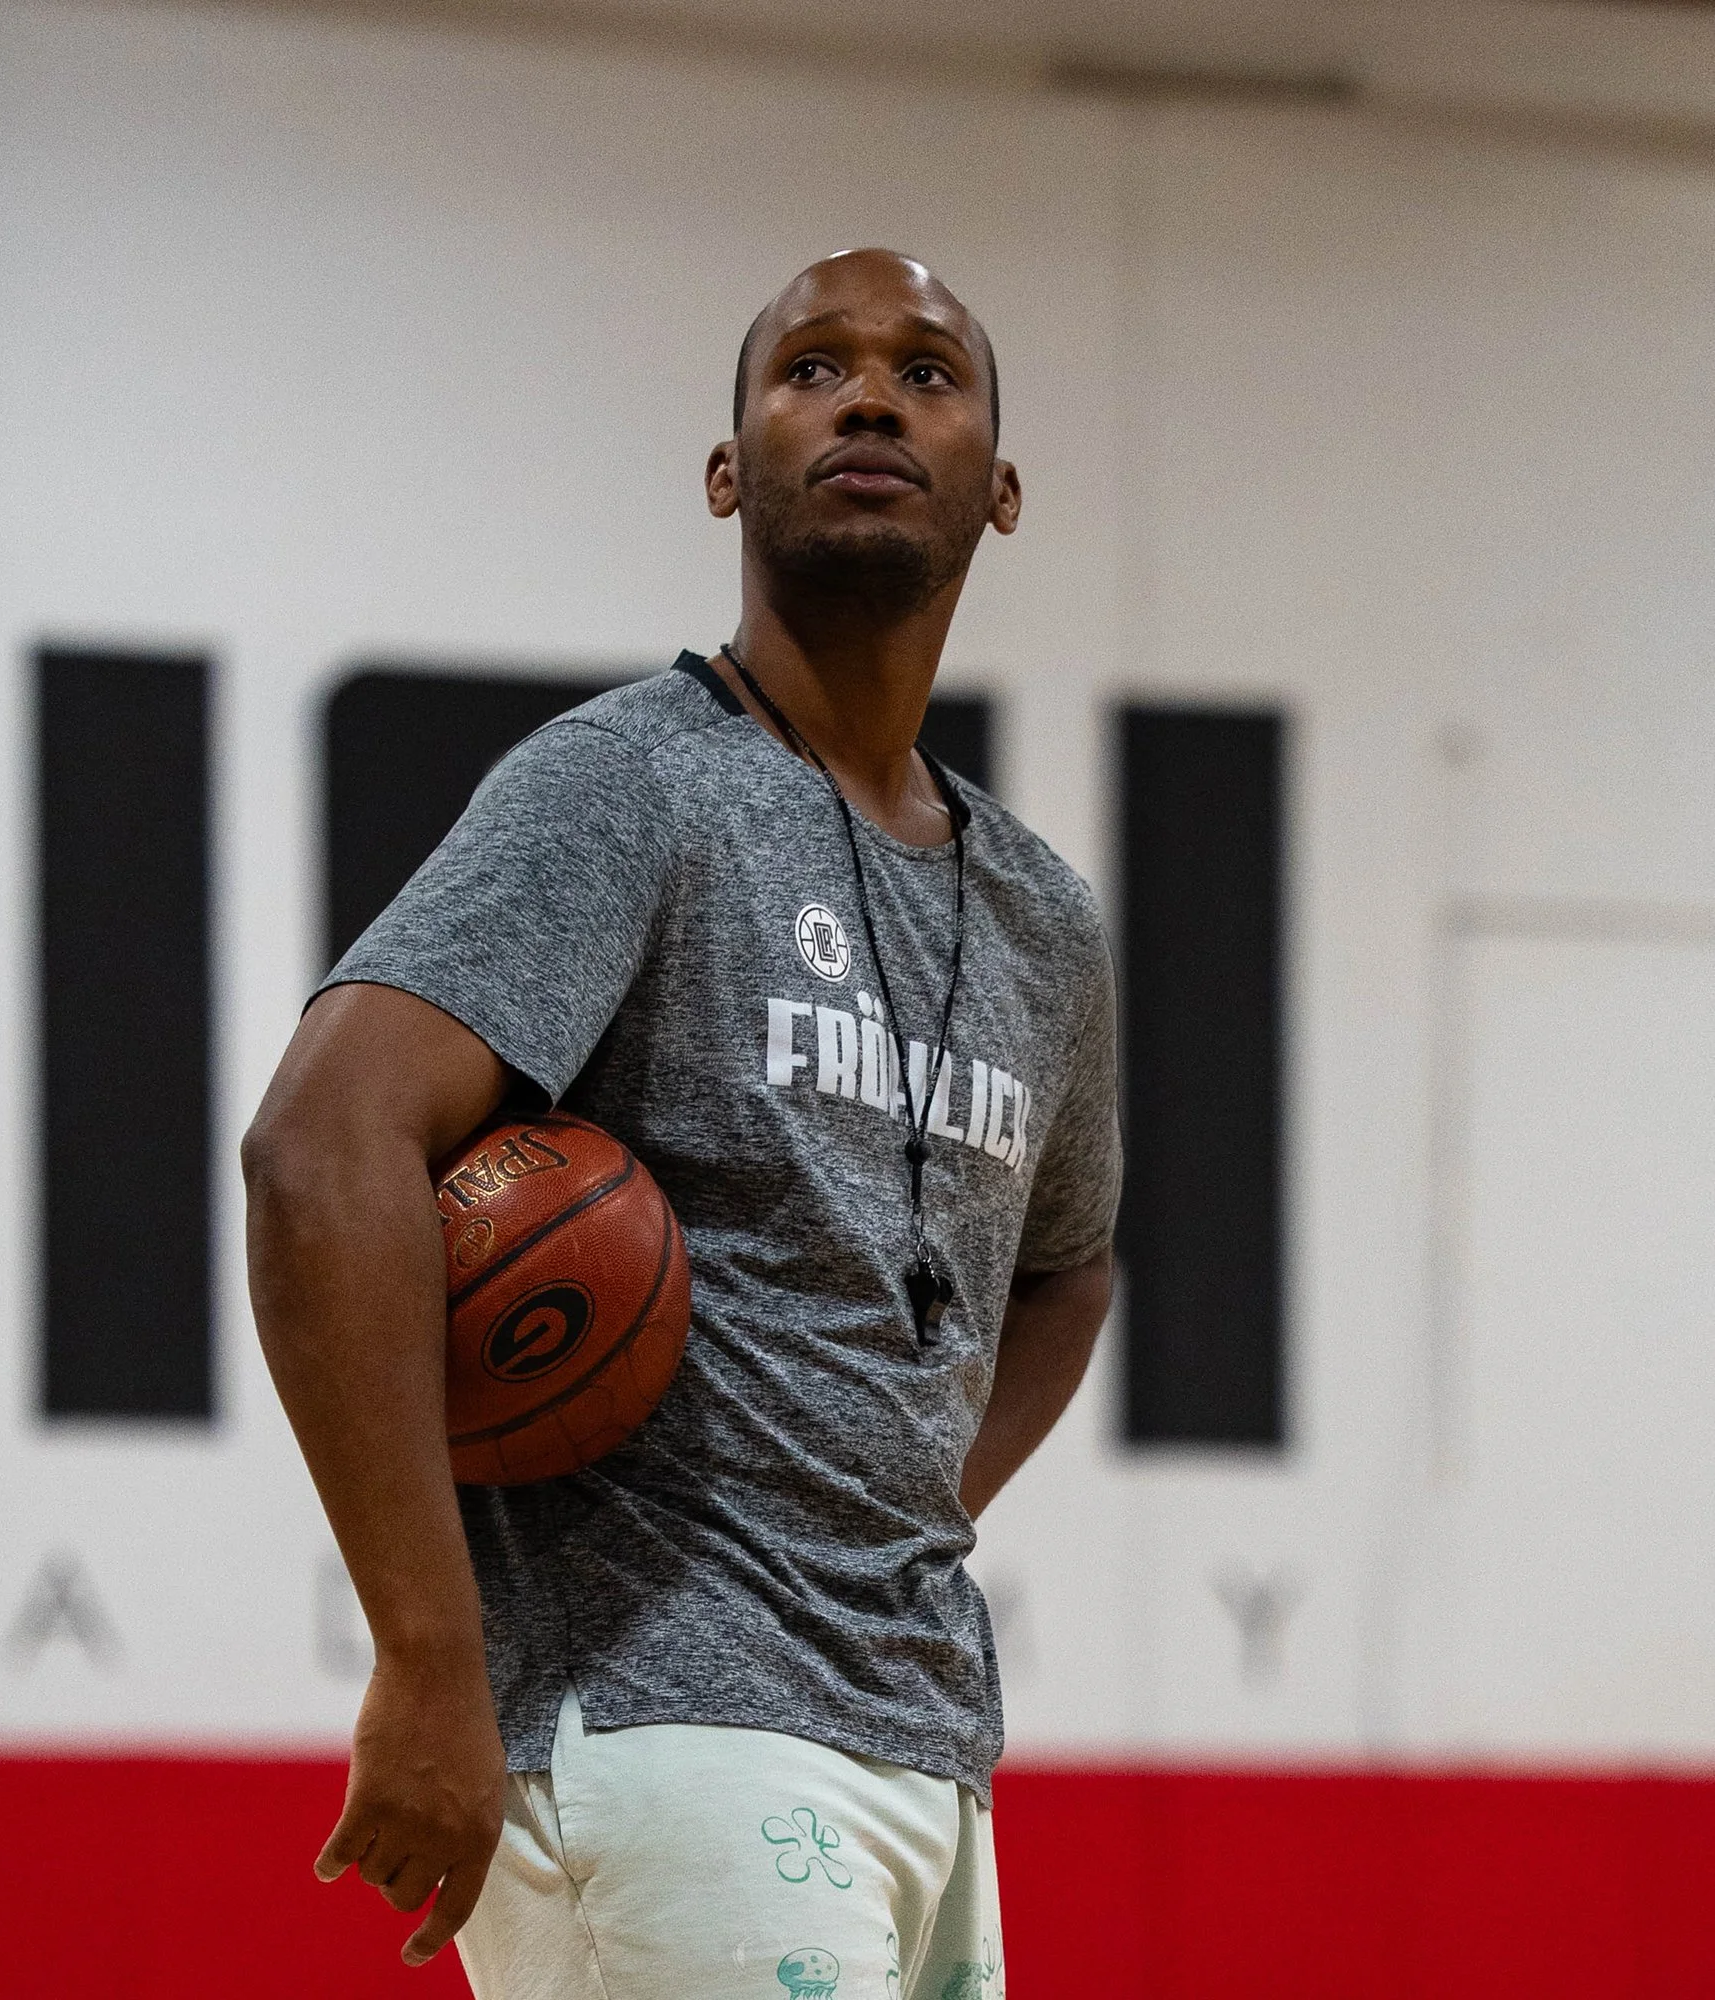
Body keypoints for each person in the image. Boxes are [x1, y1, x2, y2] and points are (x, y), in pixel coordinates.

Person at [243, 247, 1119, 2000]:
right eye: (812, 367)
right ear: (729, 471)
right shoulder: (626, 784)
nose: (870, 393)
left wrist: (877, 1502)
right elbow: (319, 1151)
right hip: (655, 1725)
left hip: (925, 1742)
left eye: (926, 373)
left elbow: (1065, 1272)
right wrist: (428, 1651)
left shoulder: (1041, 918)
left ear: (1001, 491)